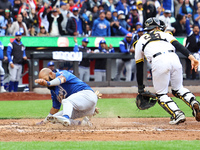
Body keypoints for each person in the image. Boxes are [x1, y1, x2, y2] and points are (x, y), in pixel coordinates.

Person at [134, 17, 200, 125]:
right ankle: (194, 102)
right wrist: (191, 57)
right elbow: (178, 45)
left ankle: (177, 113)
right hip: (174, 58)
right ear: (156, 27)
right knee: (178, 88)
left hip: (158, 60)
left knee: (161, 94)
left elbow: (139, 66)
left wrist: (140, 87)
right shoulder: (164, 34)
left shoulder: (140, 41)